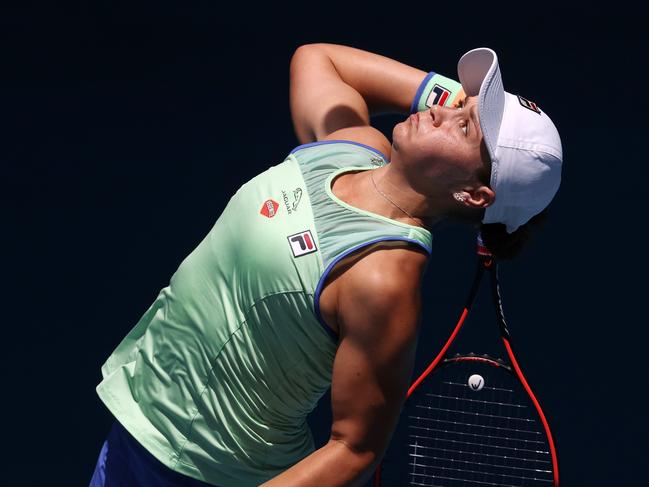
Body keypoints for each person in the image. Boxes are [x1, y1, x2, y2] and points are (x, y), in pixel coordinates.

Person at [89, 43, 562, 486]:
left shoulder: (383, 277)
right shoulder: (352, 146)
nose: (439, 111)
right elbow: (316, 59)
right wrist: (456, 95)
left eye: (464, 127)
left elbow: (355, 447)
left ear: (474, 194)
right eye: (457, 104)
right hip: (137, 421)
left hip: (206, 473)